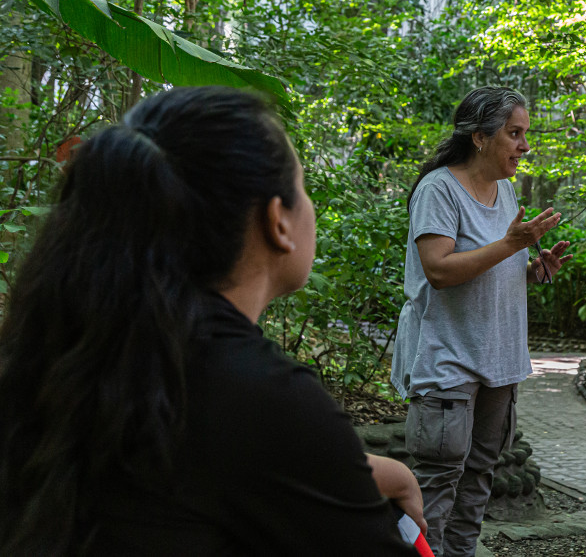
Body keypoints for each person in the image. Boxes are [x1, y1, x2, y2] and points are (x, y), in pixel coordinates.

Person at [0, 87, 422, 555]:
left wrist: (354, 468)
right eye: (303, 187)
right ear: (277, 220)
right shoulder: (267, 398)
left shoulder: (67, 343)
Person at [391, 86, 572, 556]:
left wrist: (534, 270)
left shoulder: (507, 191)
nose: (524, 146)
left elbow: (493, 269)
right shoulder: (438, 190)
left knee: (477, 486)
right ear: (479, 137)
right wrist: (513, 246)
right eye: (514, 134)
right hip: (447, 360)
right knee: (435, 489)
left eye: (525, 134)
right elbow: (439, 270)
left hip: (499, 360)